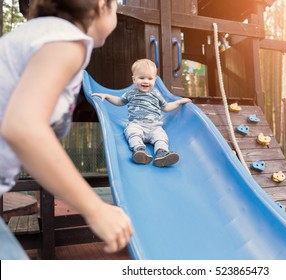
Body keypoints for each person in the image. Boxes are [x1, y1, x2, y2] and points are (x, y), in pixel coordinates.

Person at [0, 0, 133, 259]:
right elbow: (23, 127)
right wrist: (95, 208)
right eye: (116, 7)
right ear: (100, 6)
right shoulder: (67, 40)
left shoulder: (41, 35)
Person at [92, 59, 192, 167]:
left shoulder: (156, 94)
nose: (146, 81)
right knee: (132, 133)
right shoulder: (131, 93)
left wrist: (179, 102)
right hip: (137, 124)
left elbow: (166, 107)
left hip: (154, 126)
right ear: (134, 79)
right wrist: (107, 96)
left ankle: (161, 154)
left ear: (155, 80)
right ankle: (139, 150)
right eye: (141, 78)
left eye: (150, 78)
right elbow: (120, 101)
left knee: (161, 137)